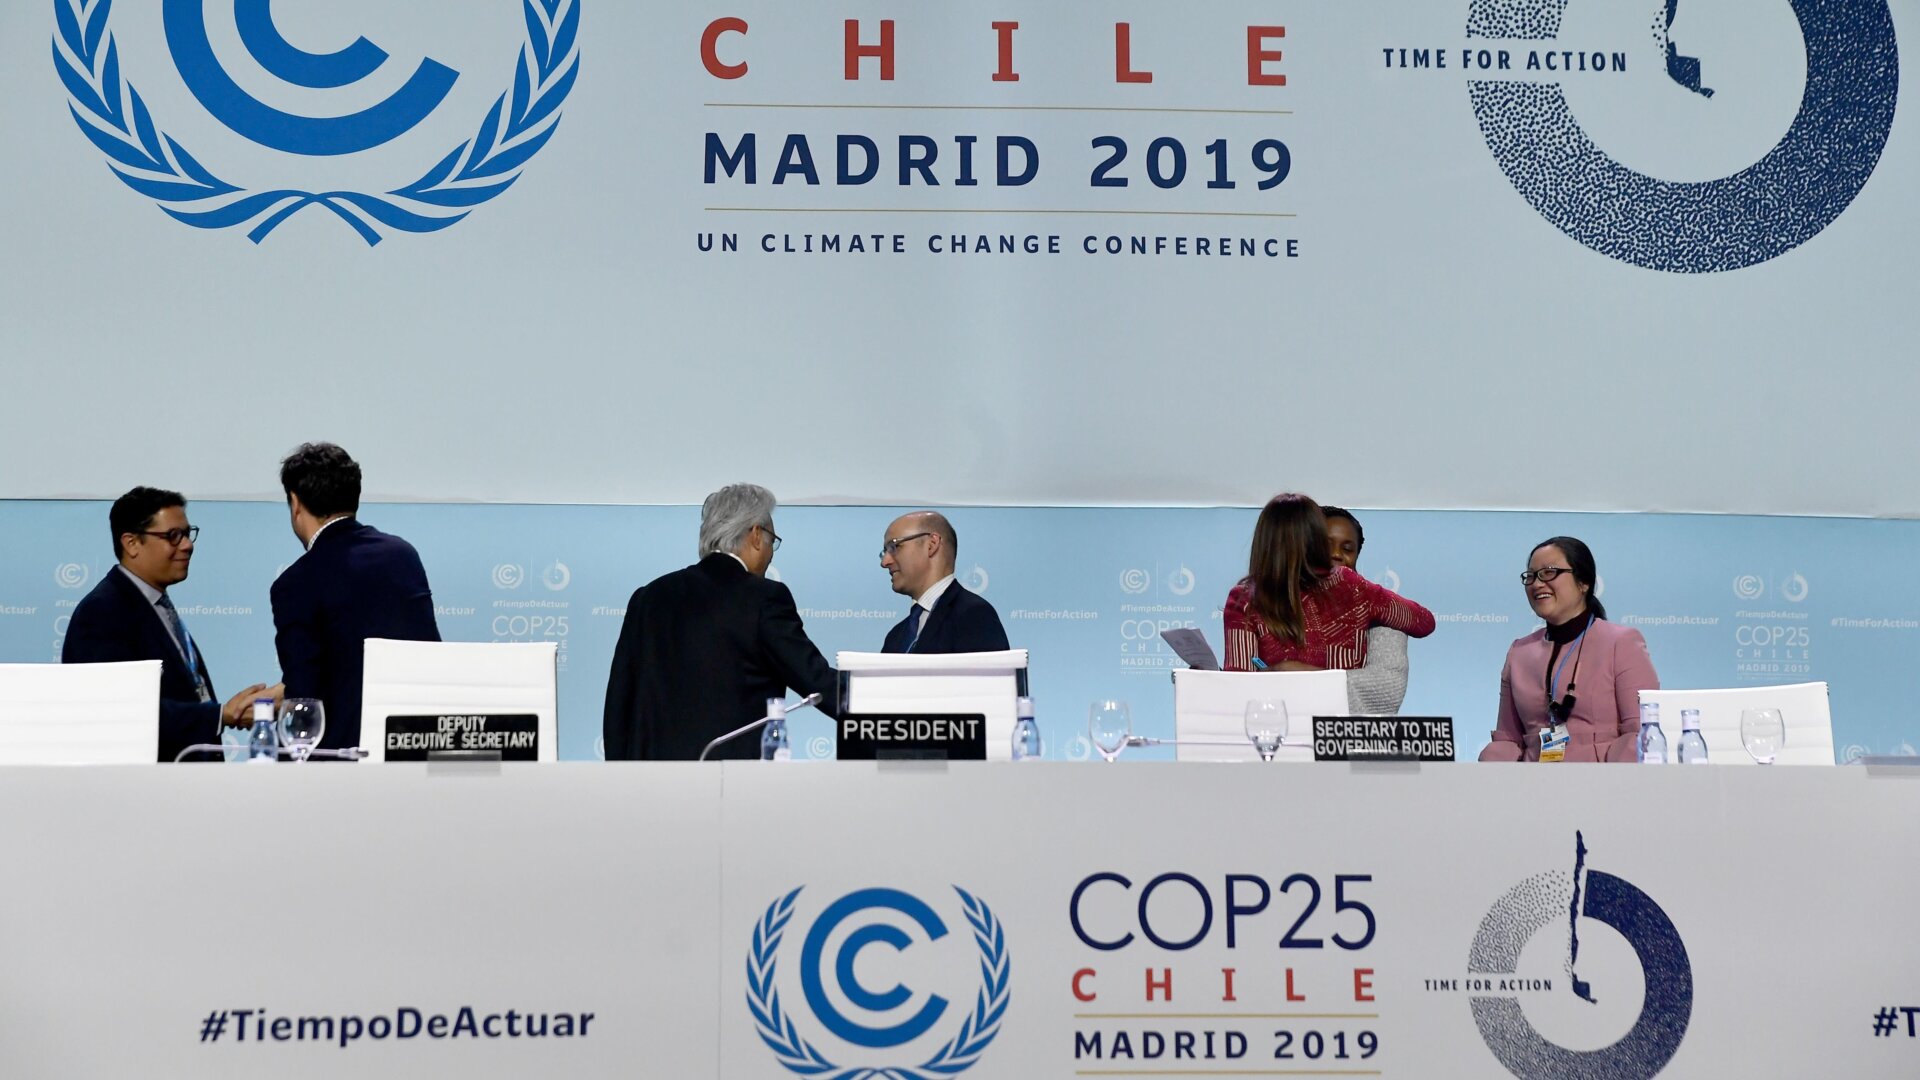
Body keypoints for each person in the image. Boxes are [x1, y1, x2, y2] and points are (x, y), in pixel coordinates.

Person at [603, 484, 838, 760]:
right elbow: (817, 681)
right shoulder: (764, 598)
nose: (771, 552)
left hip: (649, 786)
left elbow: (618, 705)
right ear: (756, 535)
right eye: (773, 540)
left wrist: (619, 778)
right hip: (727, 787)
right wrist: (888, 709)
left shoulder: (647, 597)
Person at [62, 487, 274, 762]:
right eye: (173, 536)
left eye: (187, 533)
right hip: (145, 790)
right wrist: (221, 715)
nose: (187, 545)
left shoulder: (154, 605)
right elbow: (117, 712)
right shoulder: (103, 612)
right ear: (131, 543)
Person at [270, 443, 440, 754]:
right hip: (414, 749)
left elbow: (304, 696)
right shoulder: (402, 555)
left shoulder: (295, 583)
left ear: (295, 503)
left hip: (339, 764)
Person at [1480, 536, 1659, 763]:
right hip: (1531, 787)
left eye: (1549, 572)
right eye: (1531, 576)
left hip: (1603, 786)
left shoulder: (1621, 643)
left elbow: (1640, 733)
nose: (1537, 583)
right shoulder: (1519, 652)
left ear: (1583, 582)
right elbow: (1508, 739)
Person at [1223, 494, 1435, 673]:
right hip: (1340, 720)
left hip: (1281, 718)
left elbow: (1239, 685)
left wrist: (1293, 671)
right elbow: (1423, 620)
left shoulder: (1243, 598)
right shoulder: (1349, 583)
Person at [878, 511, 1009, 654]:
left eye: (895, 547)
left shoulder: (974, 616)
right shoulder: (895, 636)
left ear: (932, 544)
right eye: (884, 552)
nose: (885, 562)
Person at [1322, 506, 1410, 714]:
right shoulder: (1280, 606)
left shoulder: (1382, 610)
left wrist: (1300, 680)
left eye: (1347, 549)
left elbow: (1387, 688)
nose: (1336, 554)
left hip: (1358, 740)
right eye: (1325, 545)